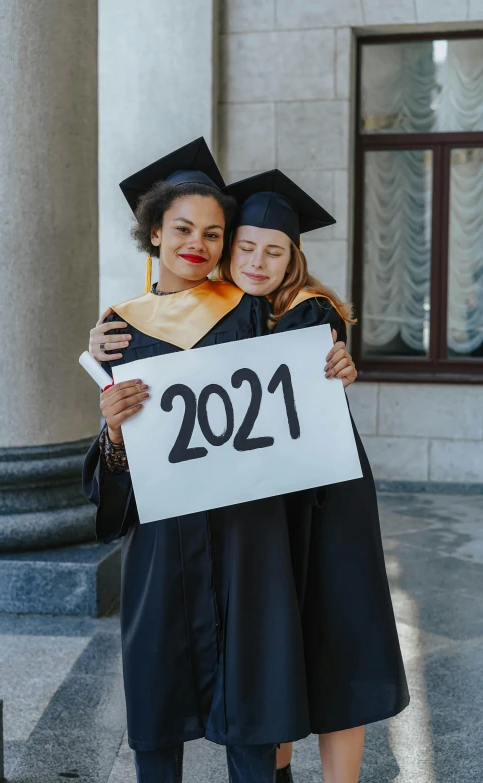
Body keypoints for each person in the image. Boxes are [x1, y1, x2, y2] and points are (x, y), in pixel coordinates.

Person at [84, 139, 319, 783]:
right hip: (163, 546)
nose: (199, 243)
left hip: (248, 537)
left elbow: (303, 388)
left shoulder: (252, 310)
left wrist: (337, 364)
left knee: (254, 701)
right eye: (183, 228)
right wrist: (113, 433)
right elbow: (115, 480)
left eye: (214, 233)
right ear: (154, 232)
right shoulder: (118, 329)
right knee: (159, 695)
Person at [220, 169, 410, 783]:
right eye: (246, 246)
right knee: (279, 649)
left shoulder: (312, 312)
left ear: (293, 257)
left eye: (274, 251)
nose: (258, 260)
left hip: (326, 502)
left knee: (334, 640)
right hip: (266, 507)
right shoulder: (222, 310)